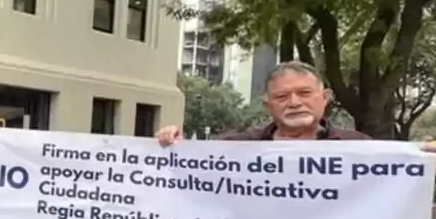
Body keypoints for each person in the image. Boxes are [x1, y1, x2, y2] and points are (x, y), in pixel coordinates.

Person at [158, 61, 370, 144]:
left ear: (325, 98)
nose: (294, 103)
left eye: (304, 93)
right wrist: (173, 145)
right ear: (268, 106)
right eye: (282, 97)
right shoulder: (237, 147)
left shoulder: (361, 148)